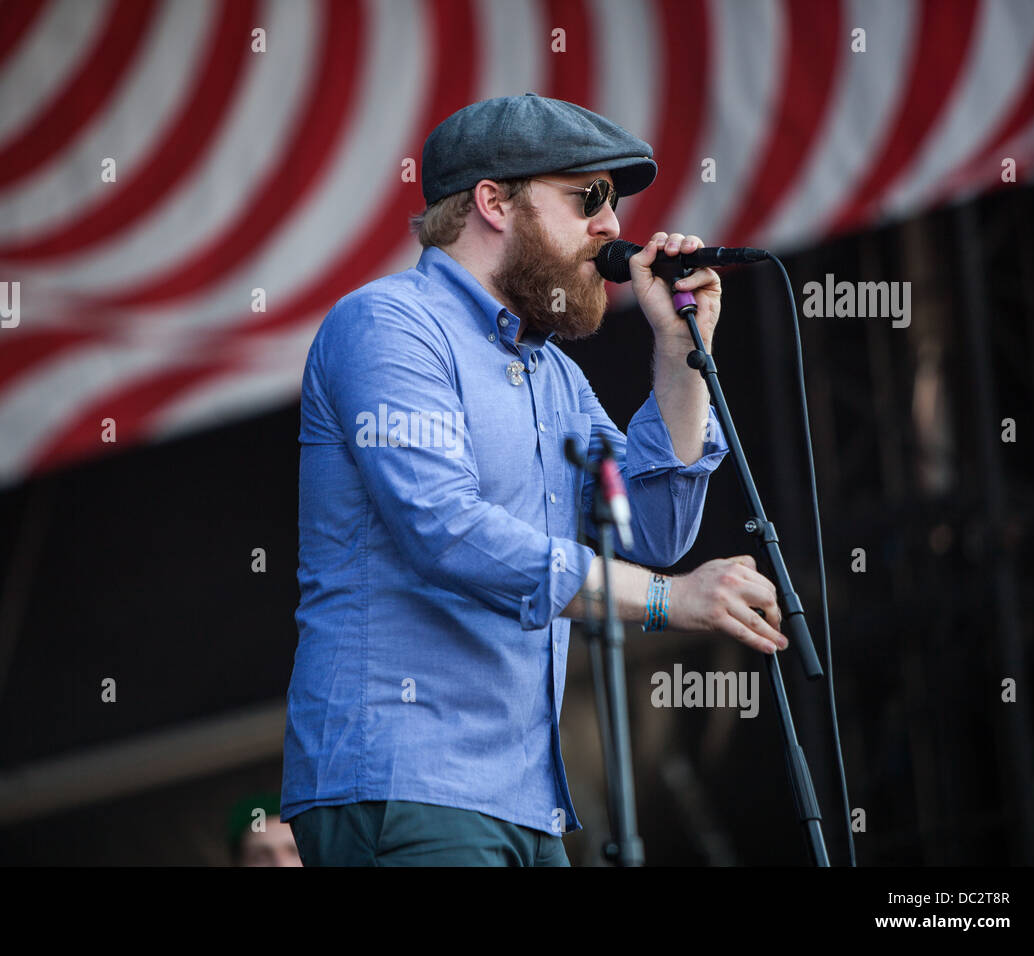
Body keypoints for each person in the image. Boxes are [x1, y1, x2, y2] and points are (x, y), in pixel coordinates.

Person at [281, 93, 787, 866]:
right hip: (408, 778)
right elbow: (443, 530)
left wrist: (682, 344)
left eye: (613, 203)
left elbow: (647, 532)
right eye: (588, 197)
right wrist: (668, 599)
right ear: (494, 202)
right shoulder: (388, 326)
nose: (613, 226)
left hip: (526, 800)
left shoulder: (549, 375)